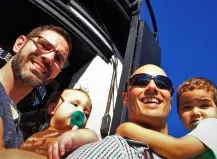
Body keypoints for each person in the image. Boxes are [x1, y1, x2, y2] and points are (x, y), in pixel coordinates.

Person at [48, 64, 174, 159]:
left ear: (170, 103)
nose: (152, 87)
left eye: (162, 84)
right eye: (140, 81)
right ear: (125, 98)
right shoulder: (116, 150)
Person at [116, 77, 217, 159]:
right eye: (187, 107)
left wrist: (126, 128)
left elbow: (177, 150)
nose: (195, 112)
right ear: (179, 114)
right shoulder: (195, 147)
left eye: (204, 106)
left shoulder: (213, 126)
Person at [0, 25, 71, 157]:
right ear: (19, 44)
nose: (49, 58)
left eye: (58, 58)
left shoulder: (19, 128)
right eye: (44, 45)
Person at [20, 88, 98, 157]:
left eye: (86, 113)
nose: (81, 112)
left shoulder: (78, 134)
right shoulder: (35, 135)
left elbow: (93, 136)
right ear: (52, 108)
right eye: (74, 104)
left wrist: (71, 138)